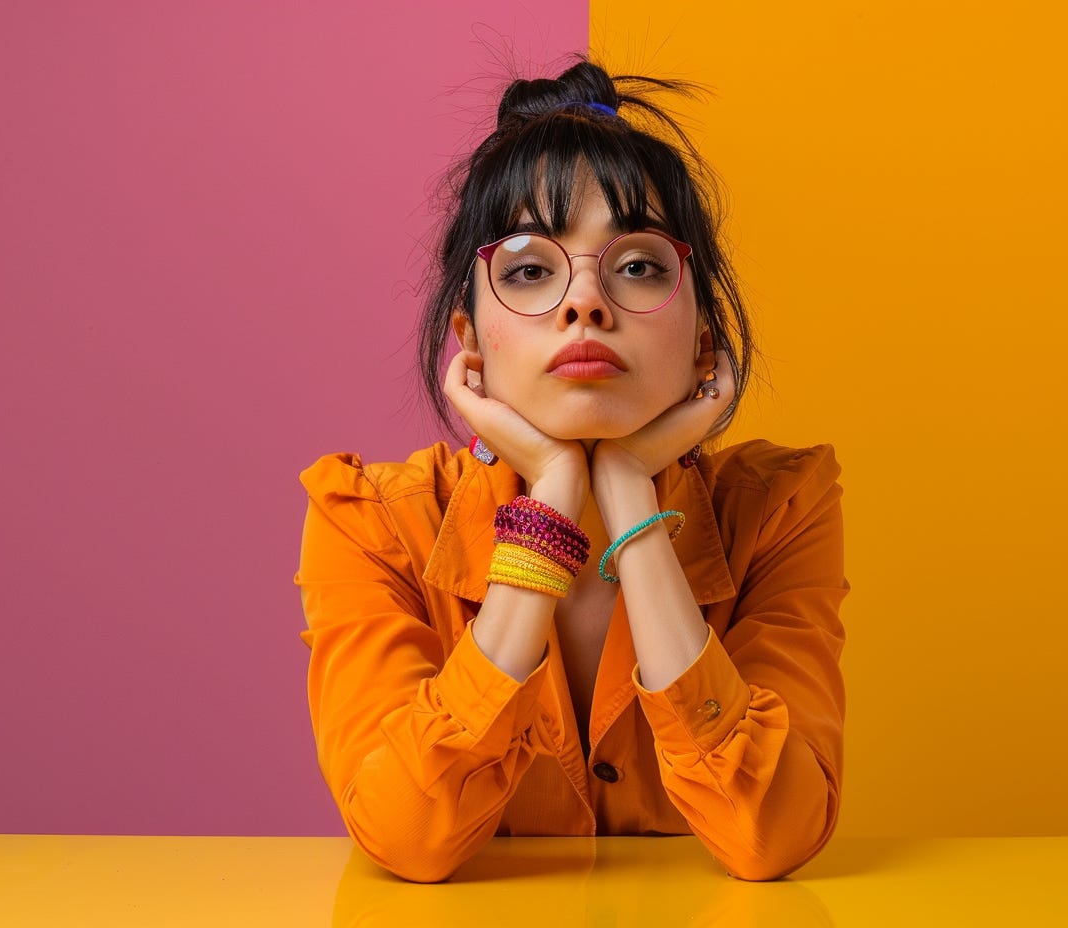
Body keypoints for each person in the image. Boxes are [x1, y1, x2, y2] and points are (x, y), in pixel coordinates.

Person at [295, 58, 847, 883]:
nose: (584, 303)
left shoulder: (780, 510)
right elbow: (408, 835)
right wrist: (550, 500)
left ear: (703, 339)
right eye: (528, 270)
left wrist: (629, 494)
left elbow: (772, 832)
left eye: (638, 267)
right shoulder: (371, 523)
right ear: (471, 344)